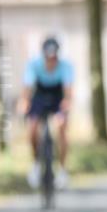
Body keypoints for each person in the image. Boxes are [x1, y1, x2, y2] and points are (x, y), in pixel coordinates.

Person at [19, 36, 74, 189]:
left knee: (61, 128)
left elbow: (68, 91)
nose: (51, 61)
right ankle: (36, 164)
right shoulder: (33, 65)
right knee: (32, 128)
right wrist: (24, 102)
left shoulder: (66, 66)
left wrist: (67, 104)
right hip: (40, 97)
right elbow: (27, 88)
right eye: (48, 57)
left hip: (57, 97)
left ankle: (62, 170)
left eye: (53, 57)